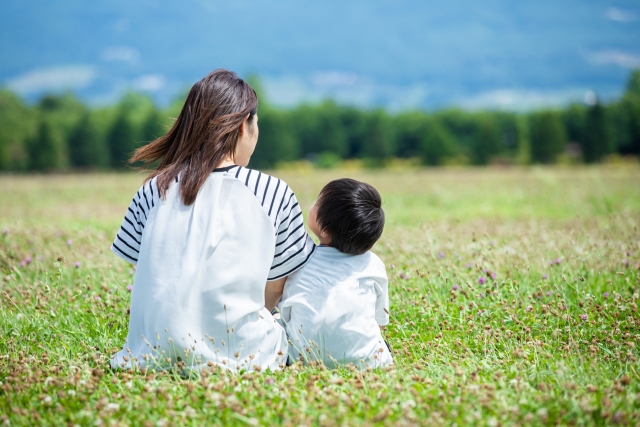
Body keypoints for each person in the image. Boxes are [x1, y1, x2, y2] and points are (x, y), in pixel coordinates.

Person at [110, 69, 315, 373]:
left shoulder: (153, 189)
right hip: (243, 355)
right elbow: (277, 286)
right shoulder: (274, 192)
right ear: (245, 126)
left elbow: (152, 273)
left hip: (150, 352)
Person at [277, 178, 392, 369]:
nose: (312, 204)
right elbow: (380, 321)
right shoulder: (373, 264)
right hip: (366, 361)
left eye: (316, 202)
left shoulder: (299, 258)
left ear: (325, 230)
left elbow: (288, 311)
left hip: (302, 359)